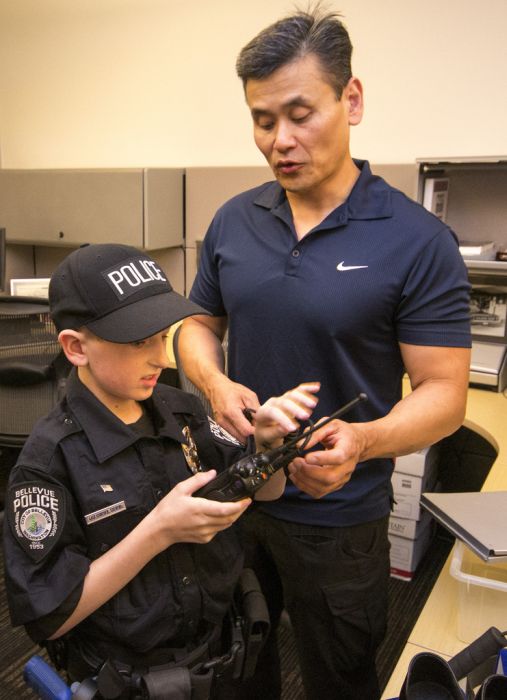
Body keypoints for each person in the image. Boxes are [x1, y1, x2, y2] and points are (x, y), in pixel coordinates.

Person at [177, 7, 472, 700]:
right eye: (262, 120)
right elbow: (195, 324)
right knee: (234, 671)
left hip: (339, 519)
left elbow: (444, 395)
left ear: (351, 100)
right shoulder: (233, 220)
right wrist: (214, 383)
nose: (279, 140)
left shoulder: (416, 240)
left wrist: (361, 441)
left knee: (339, 677)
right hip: (236, 496)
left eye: (299, 114)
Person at [2, 243, 321, 700]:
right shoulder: (49, 462)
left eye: (163, 336)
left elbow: (266, 493)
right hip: (130, 677)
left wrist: (270, 447)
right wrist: (158, 532)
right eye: (138, 342)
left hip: (218, 654)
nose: (161, 358)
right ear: (76, 347)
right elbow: (50, 615)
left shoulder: (184, 410)